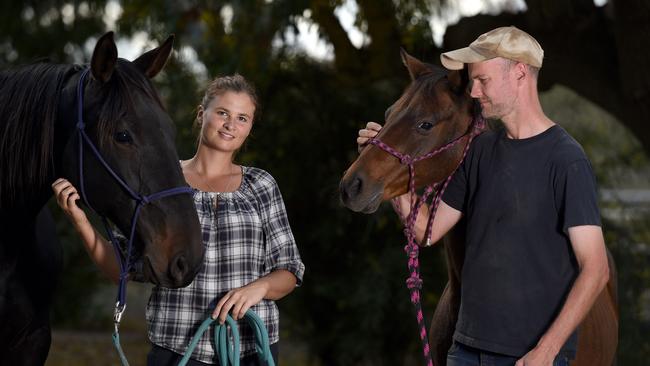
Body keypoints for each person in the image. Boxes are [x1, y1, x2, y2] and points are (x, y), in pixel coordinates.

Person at [357, 26, 609, 366]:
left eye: (483, 80)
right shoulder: (479, 151)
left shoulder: (566, 160)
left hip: (530, 358)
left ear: (520, 73)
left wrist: (546, 351)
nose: (474, 92)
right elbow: (426, 231)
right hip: (465, 351)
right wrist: (388, 172)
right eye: (473, 81)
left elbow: (596, 269)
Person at [52, 74, 305, 366]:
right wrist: (79, 219)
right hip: (178, 349)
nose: (230, 125)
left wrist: (257, 289)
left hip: (251, 349)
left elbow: (288, 269)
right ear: (202, 114)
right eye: (222, 112)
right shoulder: (163, 181)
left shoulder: (260, 184)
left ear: (250, 127)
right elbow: (120, 268)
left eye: (242, 118)